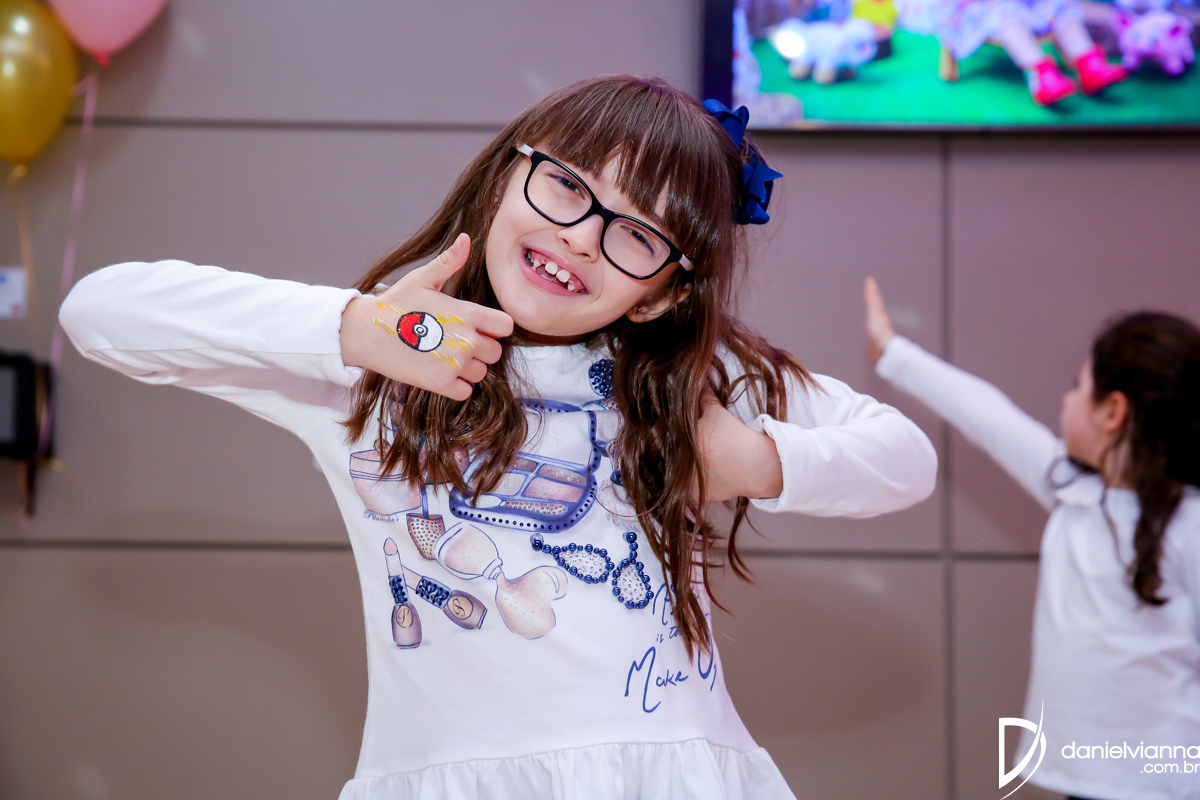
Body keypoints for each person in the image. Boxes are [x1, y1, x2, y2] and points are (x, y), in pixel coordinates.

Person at [56, 75, 938, 800]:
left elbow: (907, 459)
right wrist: (356, 328)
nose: (579, 238)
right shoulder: (375, 369)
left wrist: (756, 460)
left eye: (636, 235)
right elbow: (100, 312)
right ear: (505, 175)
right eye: (567, 186)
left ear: (665, 293)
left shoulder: (687, 380)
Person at [864, 277, 1200, 800]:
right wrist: (893, 351)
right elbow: (989, 418)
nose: (1066, 398)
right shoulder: (1070, 491)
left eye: (1078, 386)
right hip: (1085, 781)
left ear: (1112, 412)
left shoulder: (1189, 524)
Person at [934, 0, 1127, 106]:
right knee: (1008, 19)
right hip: (983, 10)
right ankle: (1040, 74)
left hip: (1030, 5)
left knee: (1062, 8)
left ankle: (1088, 62)